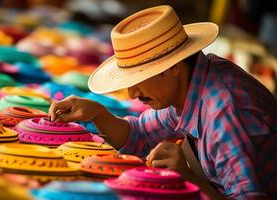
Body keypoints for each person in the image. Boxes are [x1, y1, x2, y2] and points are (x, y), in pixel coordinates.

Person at [48, 5, 277, 199]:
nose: (131, 94)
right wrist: (97, 113)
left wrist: (189, 178)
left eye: (139, 79)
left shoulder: (223, 115)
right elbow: (139, 135)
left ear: (173, 67)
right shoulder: (193, 81)